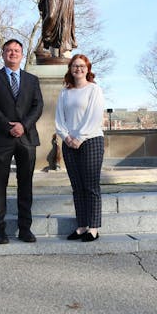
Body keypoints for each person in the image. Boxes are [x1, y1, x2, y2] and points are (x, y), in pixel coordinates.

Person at [0, 39, 43, 244]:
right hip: (2, 138)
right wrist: (9, 126)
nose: (13, 53)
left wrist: (23, 125)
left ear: (22, 54)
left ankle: (25, 229)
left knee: (25, 184)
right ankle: (0, 230)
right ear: (3, 54)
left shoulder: (32, 80)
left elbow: (38, 106)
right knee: (0, 184)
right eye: (9, 50)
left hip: (27, 138)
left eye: (16, 50)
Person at [55, 54, 105, 242]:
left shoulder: (94, 90)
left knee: (91, 186)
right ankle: (82, 225)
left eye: (82, 66)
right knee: (77, 187)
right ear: (70, 69)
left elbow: (94, 116)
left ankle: (93, 228)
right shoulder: (64, 92)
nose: (79, 69)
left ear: (88, 68)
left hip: (91, 141)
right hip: (69, 143)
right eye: (75, 66)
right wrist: (66, 136)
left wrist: (80, 137)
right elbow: (59, 118)